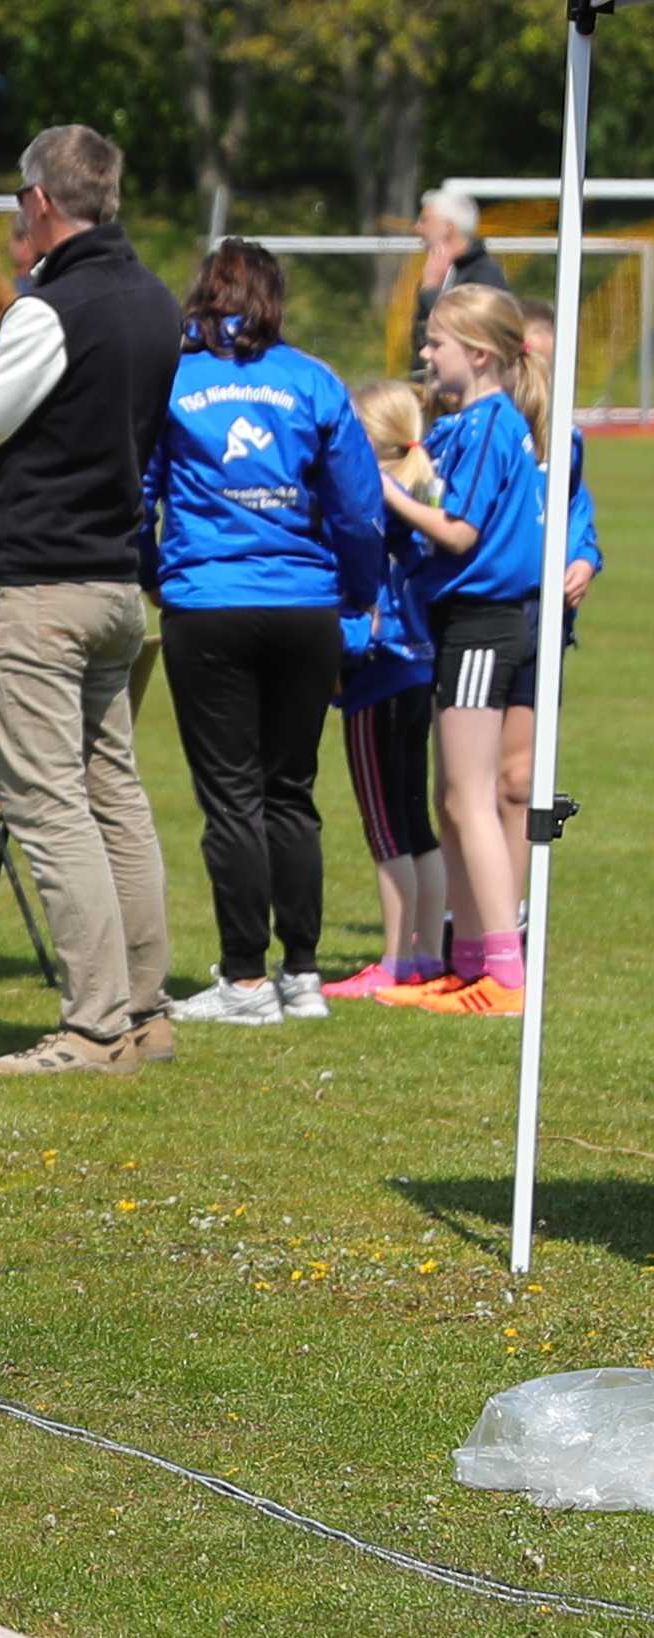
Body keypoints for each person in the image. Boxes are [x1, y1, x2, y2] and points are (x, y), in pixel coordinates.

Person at [0, 125, 183, 1075]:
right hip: (114, 581)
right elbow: (75, 402)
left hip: (38, 590)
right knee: (115, 798)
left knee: (50, 808)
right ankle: (144, 1011)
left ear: (38, 201)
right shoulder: (151, 298)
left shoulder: (54, 306)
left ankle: (93, 1025)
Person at [144, 240, 383, 1028]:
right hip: (304, 605)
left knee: (231, 796)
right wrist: (356, 595)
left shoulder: (173, 379)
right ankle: (303, 975)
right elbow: (357, 509)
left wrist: (153, 573)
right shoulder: (311, 380)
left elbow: (137, 490)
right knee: (290, 791)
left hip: (207, 603)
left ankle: (244, 980)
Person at [374, 285, 546, 1017]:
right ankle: (468, 961)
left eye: (436, 342)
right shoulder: (466, 424)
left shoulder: (488, 424)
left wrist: (388, 493)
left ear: (477, 355)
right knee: (454, 799)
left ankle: (503, 972)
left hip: (481, 623)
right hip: (465, 623)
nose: (424, 352)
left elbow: (458, 532)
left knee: (470, 799)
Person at [324, 380, 448, 1001]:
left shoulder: (369, 499)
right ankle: (427, 954)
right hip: (419, 668)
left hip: (376, 672)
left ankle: (396, 961)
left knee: (384, 824)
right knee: (414, 819)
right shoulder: (423, 493)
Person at [502, 297, 604, 911]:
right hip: (485, 617)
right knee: (471, 783)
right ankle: (468, 910)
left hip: (544, 626)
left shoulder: (567, 440)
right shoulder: (487, 433)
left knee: (520, 778)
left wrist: (584, 559)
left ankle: (510, 915)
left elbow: (577, 517)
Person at [413, 190, 510, 366]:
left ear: (448, 228)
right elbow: (420, 339)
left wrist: (430, 291)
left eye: (424, 220)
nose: (417, 228)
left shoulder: (484, 275)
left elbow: (469, 332)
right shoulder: (441, 271)